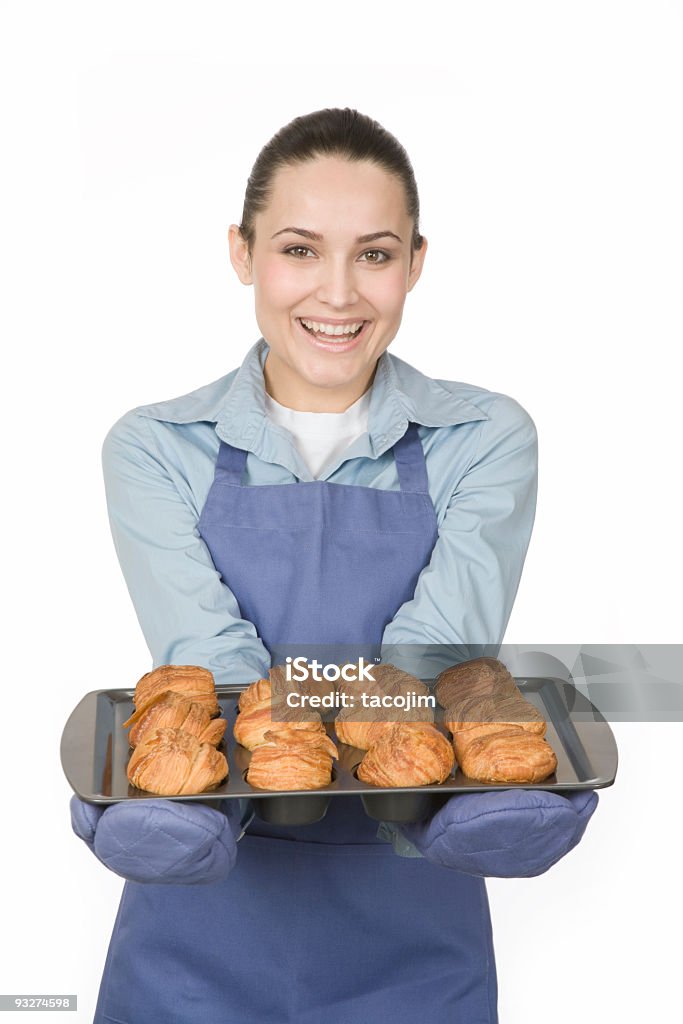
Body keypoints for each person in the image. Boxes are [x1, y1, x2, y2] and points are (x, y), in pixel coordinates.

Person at [70, 107, 598, 1024]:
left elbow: (435, 650)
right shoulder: (156, 446)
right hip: (197, 919)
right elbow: (207, 658)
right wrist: (171, 791)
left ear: (416, 264)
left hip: (412, 911)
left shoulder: (481, 436)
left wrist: (478, 768)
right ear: (242, 253)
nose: (340, 293)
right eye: (300, 250)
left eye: (376, 254)